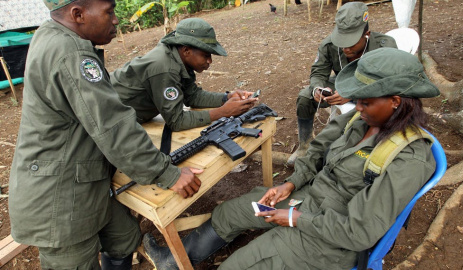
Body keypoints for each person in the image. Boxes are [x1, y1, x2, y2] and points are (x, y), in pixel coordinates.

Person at [142, 48, 440, 269]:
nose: (357, 107)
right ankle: (172, 262)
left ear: (396, 101)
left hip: (331, 238)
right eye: (357, 100)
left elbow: (359, 231)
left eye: (365, 102)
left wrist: (295, 219)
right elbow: (317, 150)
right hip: (307, 197)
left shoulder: (409, 159)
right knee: (230, 213)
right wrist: (291, 184)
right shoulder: (360, 120)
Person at [8, 1, 203, 269]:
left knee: (124, 238)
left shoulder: (51, 34)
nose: (115, 20)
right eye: (109, 12)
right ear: (77, 14)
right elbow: (113, 125)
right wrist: (167, 173)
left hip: (81, 177)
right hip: (59, 195)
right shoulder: (72, 52)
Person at [287, 1, 397, 166]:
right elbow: (318, 72)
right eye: (342, 40)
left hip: (373, 90)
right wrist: (318, 88)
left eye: (351, 42)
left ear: (366, 34)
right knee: (305, 96)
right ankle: (305, 145)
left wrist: (352, 93)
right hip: (342, 82)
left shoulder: (385, 46)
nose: (345, 48)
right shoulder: (329, 44)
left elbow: (389, 82)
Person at [110, 18, 257, 131]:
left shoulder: (179, 58)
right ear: (186, 50)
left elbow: (192, 96)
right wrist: (222, 112)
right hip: (110, 117)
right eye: (205, 55)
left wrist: (227, 98)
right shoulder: (165, 68)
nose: (209, 61)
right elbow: (176, 121)